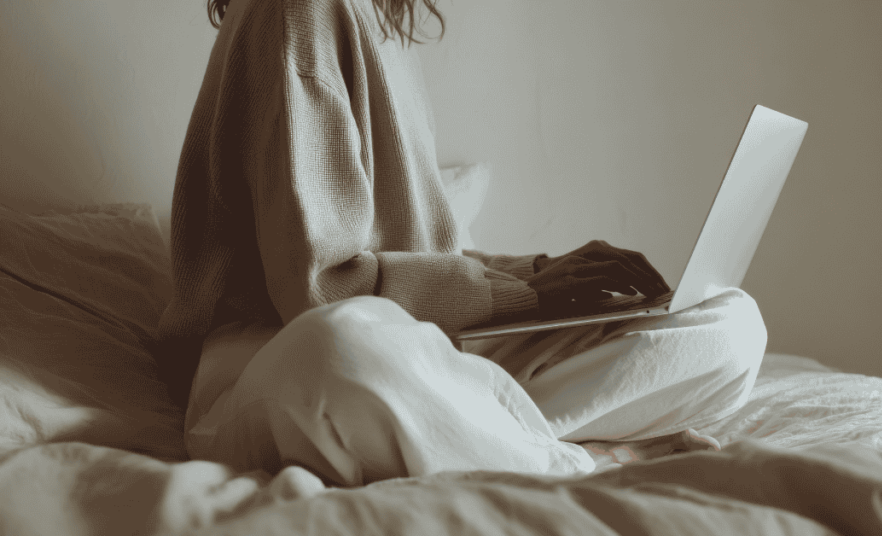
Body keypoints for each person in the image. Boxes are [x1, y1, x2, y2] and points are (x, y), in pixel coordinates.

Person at [157, 0, 767, 487]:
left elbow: (429, 260)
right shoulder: (294, 11)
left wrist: (541, 274)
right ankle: (590, 464)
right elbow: (321, 294)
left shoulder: (381, 22)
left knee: (727, 324)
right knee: (344, 348)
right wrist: (525, 294)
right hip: (274, 371)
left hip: (434, 352)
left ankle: (474, 433)